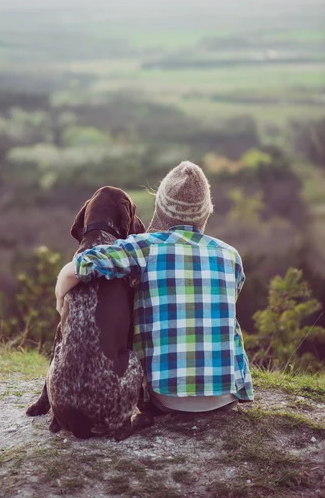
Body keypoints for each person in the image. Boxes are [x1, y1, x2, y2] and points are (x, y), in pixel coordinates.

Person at [55, 161, 253, 414]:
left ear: (160, 208)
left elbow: (81, 265)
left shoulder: (145, 246)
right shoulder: (230, 254)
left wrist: (61, 291)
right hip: (226, 397)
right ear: (205, 213)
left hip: (166, 398)